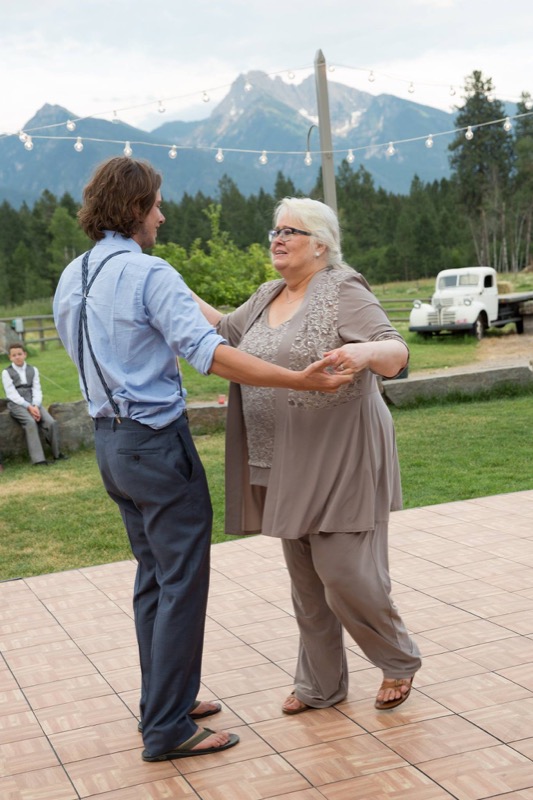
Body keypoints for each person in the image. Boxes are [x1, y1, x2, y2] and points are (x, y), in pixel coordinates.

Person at [52, 158, 350, 763]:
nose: (162, 215)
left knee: (154, 579)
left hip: (109, 445)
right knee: (182, 583)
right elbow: (209, 354)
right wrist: (297, 379)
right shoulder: (147, 272)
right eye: (156, 204)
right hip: (157, 446)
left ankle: (163, 701)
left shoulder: (71, 276)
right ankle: (166, 730)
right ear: (136, 209)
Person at [192, 197, 422, 714]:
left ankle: (398, 658)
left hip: (341, 452)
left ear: (320, 244)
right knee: (306, 579)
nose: (277, 238)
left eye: (290, 230)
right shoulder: (268, 293)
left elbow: (396, 351)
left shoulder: (343, 288)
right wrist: (169, 287)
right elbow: (225, 332)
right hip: (281, 456)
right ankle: (321, 684)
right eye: (274, 229)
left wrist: (363, 353)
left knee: (343, 571)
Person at [1, 343, 68, 466]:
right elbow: (11, 394)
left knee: (51, 422)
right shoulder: (6, 372)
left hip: (33, 402)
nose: (17, 357)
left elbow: (37, 389)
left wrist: (36, 405)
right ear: (10, 357)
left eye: (20, 354)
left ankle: (57, 454)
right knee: (30, 422)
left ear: (25, 354)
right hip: (17, 404)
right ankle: (39, 460)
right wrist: (28, 407)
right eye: (14, 355)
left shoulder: (33, 370)